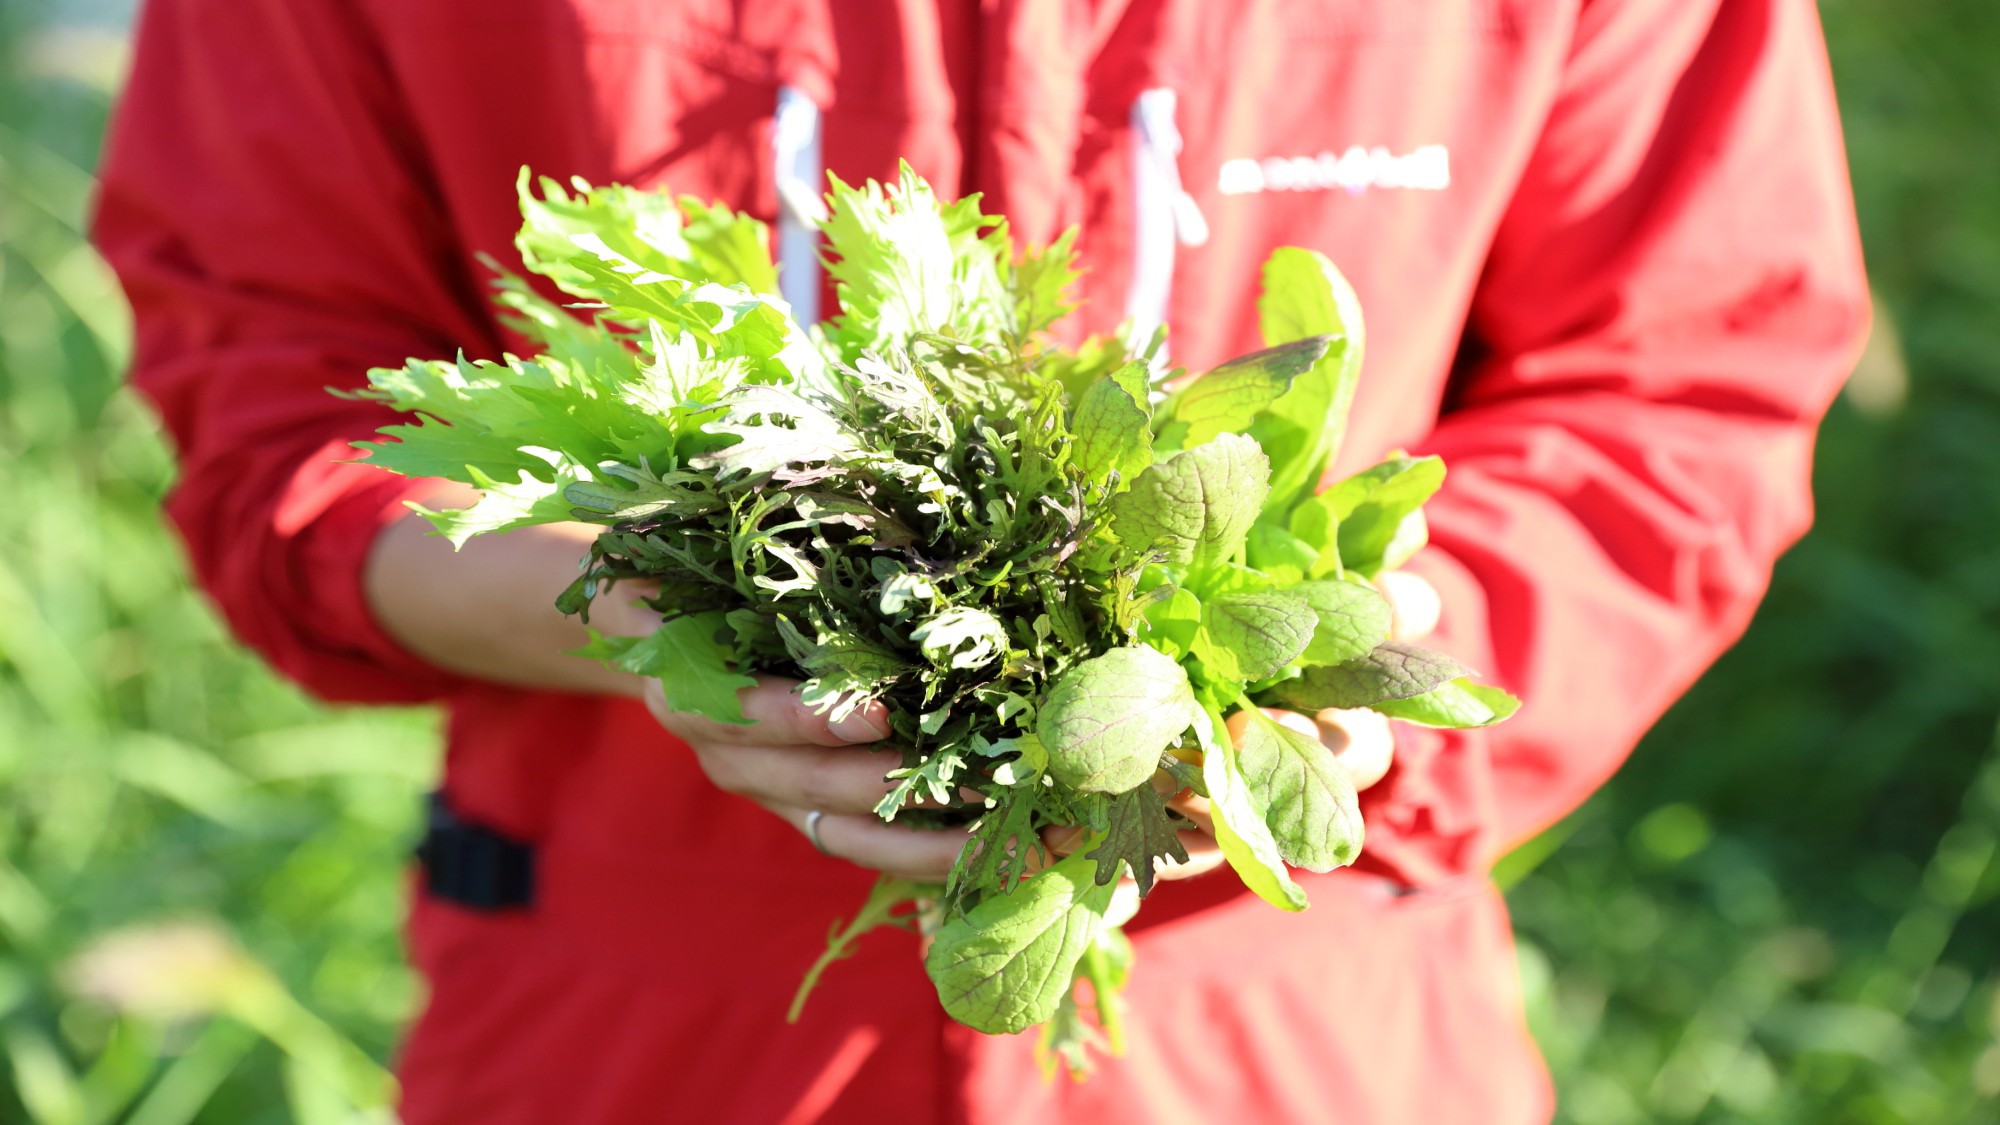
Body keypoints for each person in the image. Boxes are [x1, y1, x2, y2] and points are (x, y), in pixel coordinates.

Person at [95, 0, 1869, 1121]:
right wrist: (654, 611)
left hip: (1291, 1013)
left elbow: (1679, 394)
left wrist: (1372, 660)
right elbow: (281, 414)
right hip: (635, 1012)